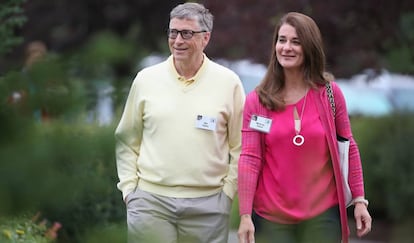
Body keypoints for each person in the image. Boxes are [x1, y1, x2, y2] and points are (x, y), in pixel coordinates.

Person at [115, 3, 245, 243]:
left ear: (205, 38)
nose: (177, 41)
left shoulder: (229, 83)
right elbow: (126, 139)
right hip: (150, 202)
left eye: (187, 33)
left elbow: (241, 147)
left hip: (208, 207)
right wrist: (130, 191)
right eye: (173, 32)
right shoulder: (146, 80)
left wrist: (227, 193)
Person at [237, 12, 371, 243]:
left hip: (322, 217)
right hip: (271, 219)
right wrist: (245, 215)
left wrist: (359, 200)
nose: (286, 47)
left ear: (310, 47)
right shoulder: (257, 100)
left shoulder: (330, 94)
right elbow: (250, 158)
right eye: (282, 40)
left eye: (296, 42)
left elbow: (349, 147)